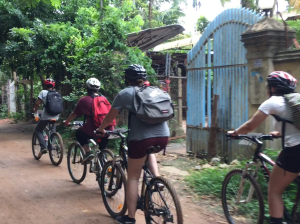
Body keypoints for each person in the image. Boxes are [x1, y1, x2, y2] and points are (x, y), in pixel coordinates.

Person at [97, 64, 170, 224]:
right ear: (144, 78)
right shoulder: (158, 90)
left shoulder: (125, 93)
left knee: (133, 177)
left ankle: (130, 218)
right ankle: (157, 180)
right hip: (164, 137)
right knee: (149, 151)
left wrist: (101, 129)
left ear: (127, 78)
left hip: (140, 139)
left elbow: (110, 117)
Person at [228, 71, 300, 224]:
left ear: (273, 89)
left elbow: (250, 125)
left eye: (268, 86)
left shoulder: (273, 101)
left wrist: (235, 133)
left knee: (274, 190)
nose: (267, 89)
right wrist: (280, 134)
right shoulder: (295, 102)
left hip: (295, 150)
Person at [64, 78, 114, 163]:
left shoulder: (84, 100)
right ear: (98, 88)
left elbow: (74, 114)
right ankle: (105, 168)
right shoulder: (104, 98)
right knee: (103, 149)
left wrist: (67, 122)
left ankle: (88, 152)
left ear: (87, 88)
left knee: (79, 133)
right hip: (109, 128)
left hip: (94, 128)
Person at [33, 78, 60, 155]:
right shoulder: (56, 93)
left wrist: (35, 112)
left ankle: (43, 147)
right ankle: (53, 144)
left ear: (45, 85)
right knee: (52, 129)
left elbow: (37, 104)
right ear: (53, 85)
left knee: (38, 130)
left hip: (46, 115)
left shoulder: (43, 92)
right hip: (56, 115)